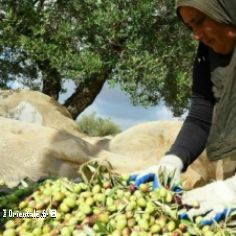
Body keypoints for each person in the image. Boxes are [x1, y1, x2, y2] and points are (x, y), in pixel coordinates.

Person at [132, 0, 236, 225]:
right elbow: (202, 114)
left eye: (199, 21)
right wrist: (172, 160)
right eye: (190, 27)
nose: (197, 35)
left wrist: (233, 191)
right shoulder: (207, 54)